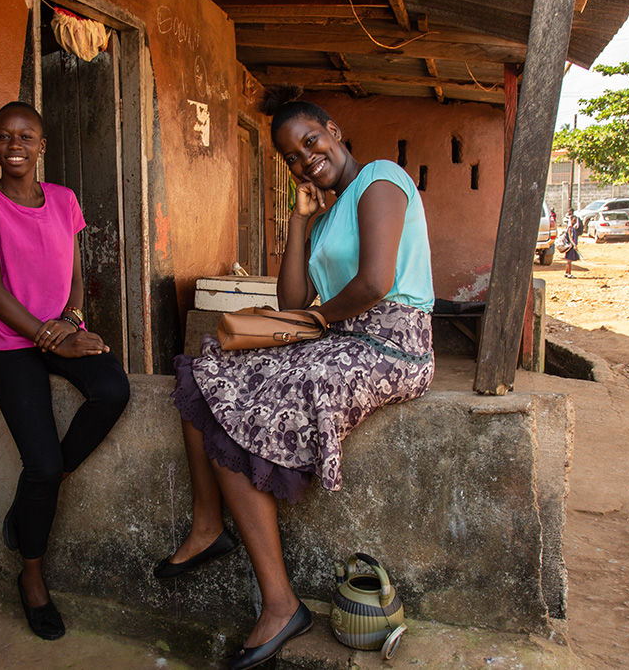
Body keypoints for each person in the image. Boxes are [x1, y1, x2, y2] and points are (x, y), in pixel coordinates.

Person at [156, 86, 434, 670]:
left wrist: (308, 321)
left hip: (394, 342)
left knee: (247, 403)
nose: (307, 158)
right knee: (210, 367)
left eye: (311, 141)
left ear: (332, 129)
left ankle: (279, 605)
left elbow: (376, 283)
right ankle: (211, 527)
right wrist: (298, 223)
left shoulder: (380, 177)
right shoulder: (328, 212)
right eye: (292, 156)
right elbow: (292, 298)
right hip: (337, 334)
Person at [0, 101, 130, 640]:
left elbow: (76, 275)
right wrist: (45, 334)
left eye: (26, 136)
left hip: (58, 329)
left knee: (113, 388)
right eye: (5, 137)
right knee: (44, 465)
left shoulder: (64, 200)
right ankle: (31, 578)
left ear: (42, 146)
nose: (15, 145)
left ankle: (36, 493)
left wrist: (71, 322)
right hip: (9, 343)